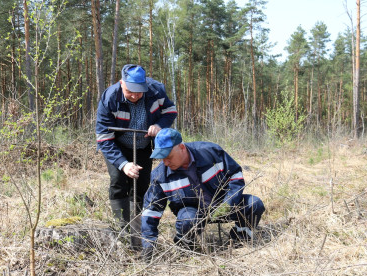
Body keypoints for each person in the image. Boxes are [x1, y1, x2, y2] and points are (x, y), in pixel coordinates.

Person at [141, 128, 265, 260]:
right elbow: (151, 210)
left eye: (168, 157)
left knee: (254, 204)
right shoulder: (160, 175)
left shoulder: (210, 152)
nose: (165, 162)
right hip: (193, 213)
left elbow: (235, 175)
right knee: (187, 220)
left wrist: (228, 203)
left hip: (224, 204)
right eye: (162, 158)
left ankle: (240, 239)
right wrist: (148, 244)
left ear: (182, 147)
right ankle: (185, 247)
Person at [95, 64, 177, 231]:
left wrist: (159, 125)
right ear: (121, 83)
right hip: (117, 146)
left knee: (141, 184)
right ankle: (122, 228)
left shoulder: (156, 90)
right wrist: (124, 164)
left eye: (139, 91)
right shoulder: (110, 98)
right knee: (118, 180)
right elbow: (104, 137)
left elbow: (170, 110)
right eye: (130, 91)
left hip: (144, 145)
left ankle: (136, 228)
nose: (134, 96)